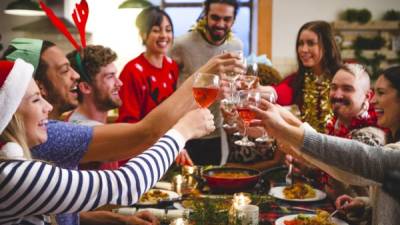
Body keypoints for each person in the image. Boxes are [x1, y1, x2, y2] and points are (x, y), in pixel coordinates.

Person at [3, 38, 244, 225]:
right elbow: (139, 150)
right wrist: (183, 129)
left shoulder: (25, 149)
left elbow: (60, 211)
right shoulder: (28, 158)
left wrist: (119, 220)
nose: (75, 76)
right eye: (65, 70)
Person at [251, 65, 400, 225]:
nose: (373, 100)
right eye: (333, 87)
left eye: (382, 93)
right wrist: (366, 205)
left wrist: (285, 129)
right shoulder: (342, 126)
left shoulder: (376, 138)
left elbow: (355, 161)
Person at [67, 45, 160, 225]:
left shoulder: (80, 121)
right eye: (110, 77)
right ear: (85, 87)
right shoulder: (81, 129)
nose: (120, 83)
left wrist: (125, 218)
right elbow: (144, 134)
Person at [169, 0, 243, 165]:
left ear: (233, 19)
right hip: (184, 132)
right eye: (215, 18)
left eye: (227, 19)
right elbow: (167, 90)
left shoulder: (236, 45)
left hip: (215, 133)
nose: (220, 24)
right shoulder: (181, 45)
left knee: (211, 186)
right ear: (205, 14)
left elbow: (233, 87)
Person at [116, 7, 193, 165]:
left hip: (166, 151)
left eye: (168, 30)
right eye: (156, 30)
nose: (164, 35)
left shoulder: (172, 66)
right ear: (143, 34)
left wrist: (175, 143)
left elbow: (174, 111)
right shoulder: (132, 71)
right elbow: (129, 123)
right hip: (137, 155)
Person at [262, 20, 342, 132]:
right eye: (300, 43)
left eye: (310, 43)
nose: (303, 49)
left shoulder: (342, 79)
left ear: (327, 46)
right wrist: (255, 89)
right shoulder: (296, 79)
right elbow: (278, 92)